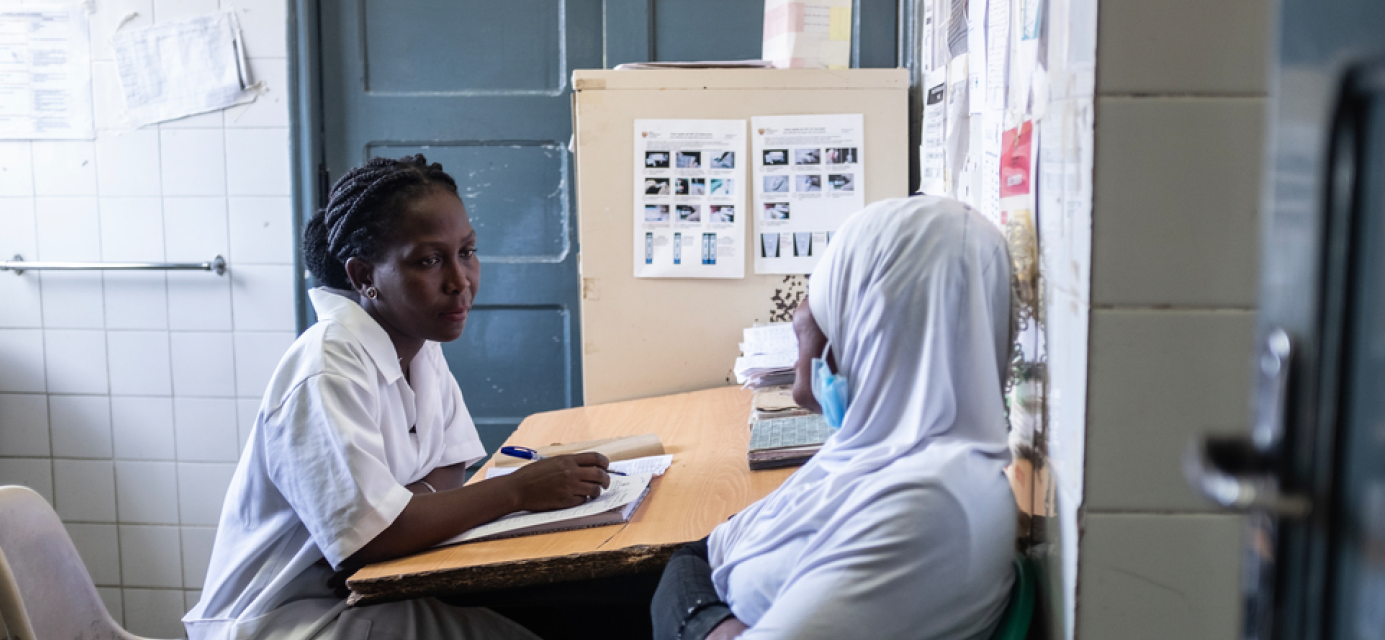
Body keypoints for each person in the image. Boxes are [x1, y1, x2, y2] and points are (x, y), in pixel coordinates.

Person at [184, 155, 615, 640]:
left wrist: (408, 510)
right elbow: (372, 538)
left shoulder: (419, 346)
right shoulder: (327, 367)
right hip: (293, 620)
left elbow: (451, 469)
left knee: (583, 607)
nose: (460, 281)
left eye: (467, 251)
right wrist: (516, 491)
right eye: (429, 261)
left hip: (382, 588)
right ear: (364, 275)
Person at [651, 196, 1018, 640]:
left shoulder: (928, 504)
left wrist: (697, 620)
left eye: (813, 321)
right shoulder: (869, 455)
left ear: (871, 330)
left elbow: (692, 569)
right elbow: (695, 556)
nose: (806, 336)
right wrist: (712, 625)